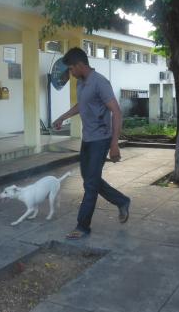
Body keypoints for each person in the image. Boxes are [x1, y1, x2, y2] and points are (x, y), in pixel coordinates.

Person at [52, 47, 131, 240]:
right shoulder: (81, 84)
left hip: (101, 140)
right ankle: (122, 201)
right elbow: (82, 105)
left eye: (71, 69)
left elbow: (117, 111)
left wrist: (114, 144)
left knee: (90, 185)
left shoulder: (100, 82)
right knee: (90, 179)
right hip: (87, 139)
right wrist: (63, 117)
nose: (70, 73)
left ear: (80, 65)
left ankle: (83, 225)